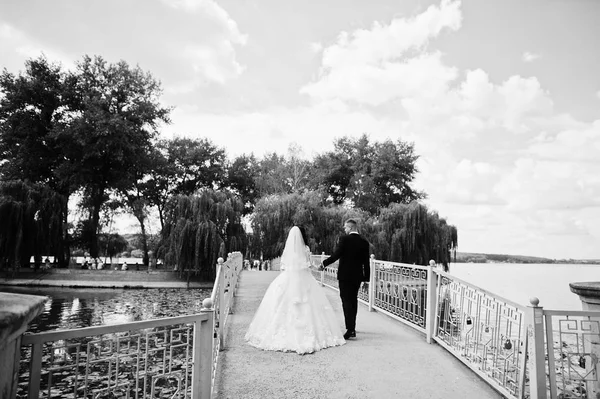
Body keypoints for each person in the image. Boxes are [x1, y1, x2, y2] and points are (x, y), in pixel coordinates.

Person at [245, 226, 346, 354]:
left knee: (280, 303)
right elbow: (309, 264)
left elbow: (283, 266)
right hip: (305, 279)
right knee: (309, 305)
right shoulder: (305, 249)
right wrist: (320, 266)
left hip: (288, 277)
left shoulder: (288, 250)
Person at [321, 218, 370, 340]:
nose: (344, 229)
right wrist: (366, 279)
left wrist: (324, 264)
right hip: (358, 276)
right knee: (353, 300)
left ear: (351, 227)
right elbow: (366, 262)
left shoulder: (345, 239)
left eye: (345, 227)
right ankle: (352, 326)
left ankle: (350, 329)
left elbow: (336, 255)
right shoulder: (364, 241)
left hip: (345, 276)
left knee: (346, 301)